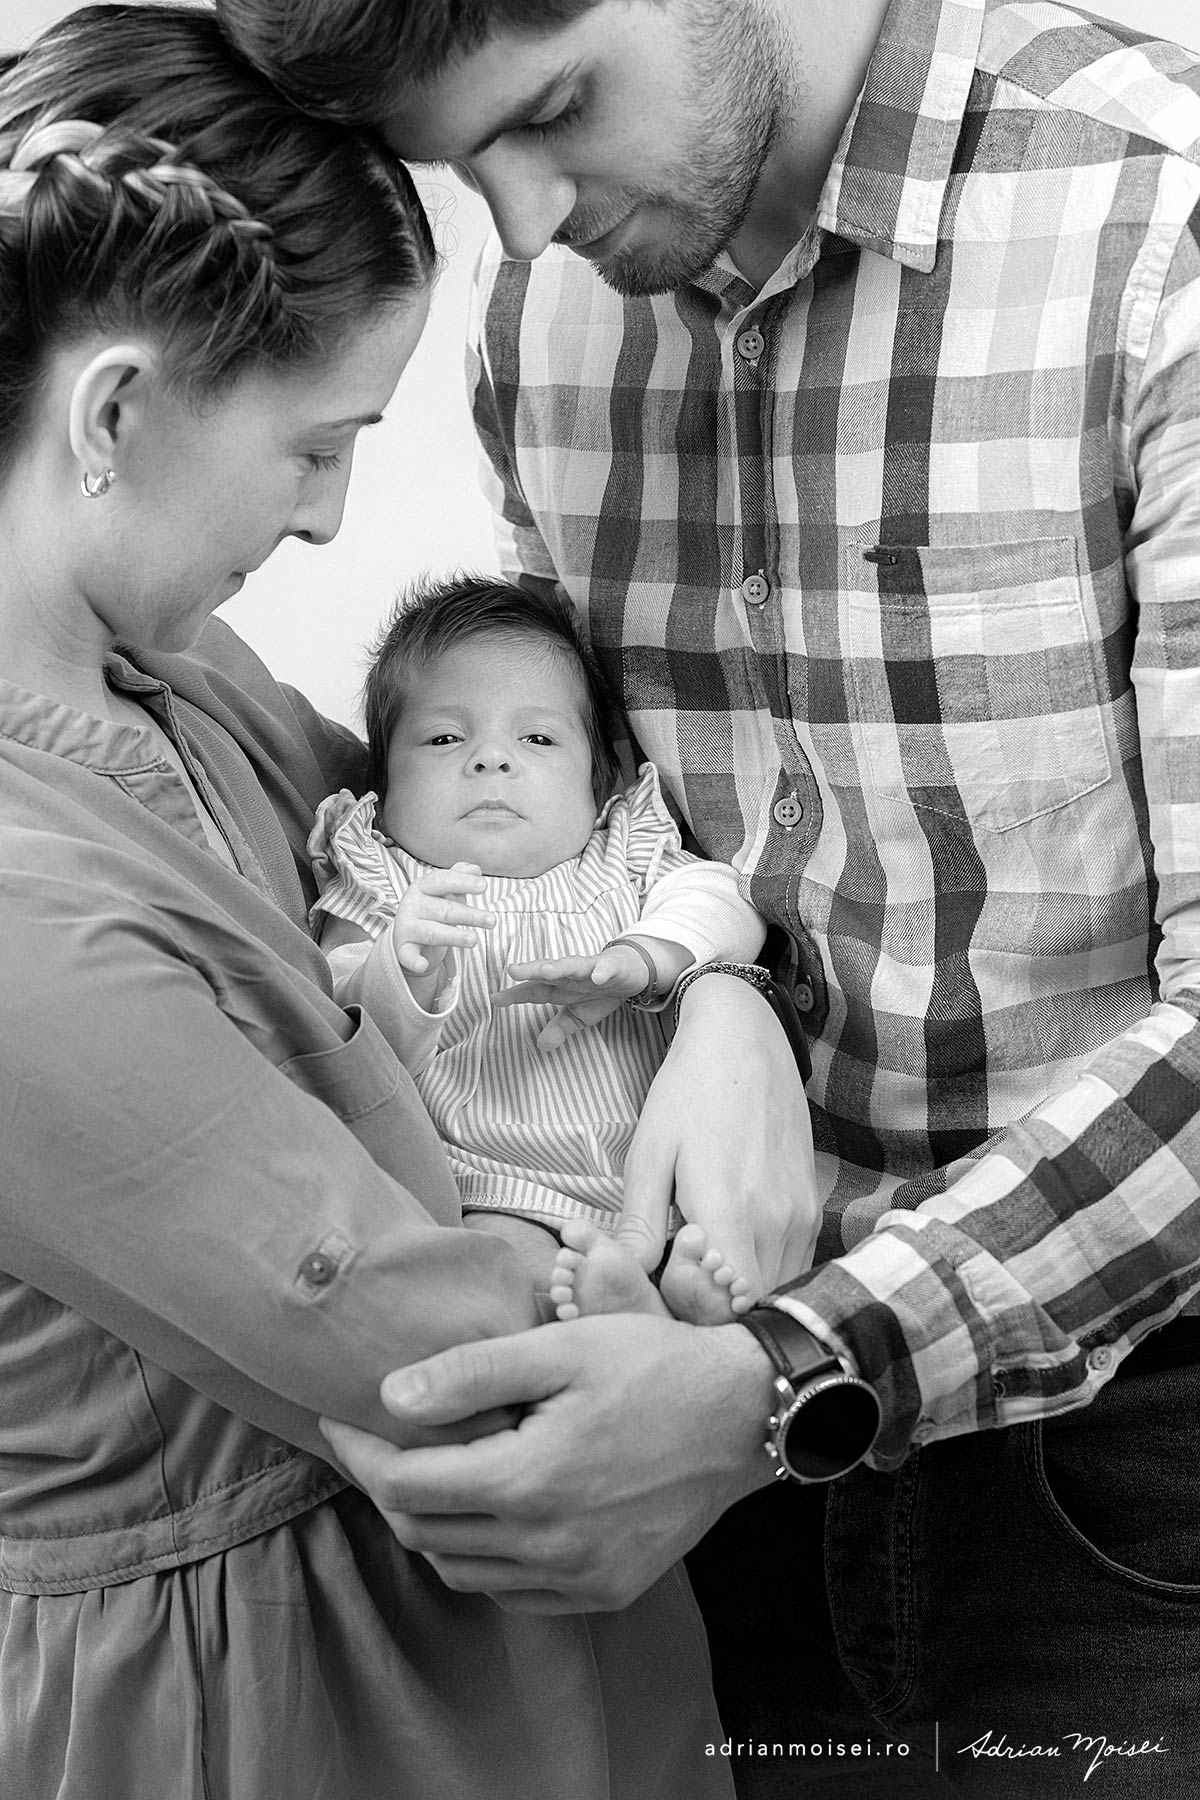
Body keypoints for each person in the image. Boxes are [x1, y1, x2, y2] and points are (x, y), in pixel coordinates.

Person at [216, 0, 1200, 1794]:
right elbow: (595, 814)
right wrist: (730, 995)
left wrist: (777, 1384)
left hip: (1119, 1463)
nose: (515, 228)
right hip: (663, 1433)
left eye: (557, 110)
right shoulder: (550, 307)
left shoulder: (1158, 224)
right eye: (462, 162)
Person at [0, 7, 744, 1796]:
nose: (335, 521)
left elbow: (508, 874)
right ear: (116, 411)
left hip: (513, 1645)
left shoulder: (171, 668)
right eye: (317, 444)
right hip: (284, 1714)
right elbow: (458, 1364)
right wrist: (751, 1356)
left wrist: (726, 1006)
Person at [308, 574, 772, 1322]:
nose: (491, 759)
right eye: (444, 737)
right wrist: (401, 966)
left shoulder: (624, 852)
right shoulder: (384, 877)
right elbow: (341, 1037)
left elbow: (727, 901)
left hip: (653, 1164)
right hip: (490, 1177)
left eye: (538, 737)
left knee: (720, 1225)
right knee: (492, 1262)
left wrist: (647, 955)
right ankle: (622, 1308)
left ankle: (676, 1293)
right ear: (383, 780)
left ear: (597, 783)